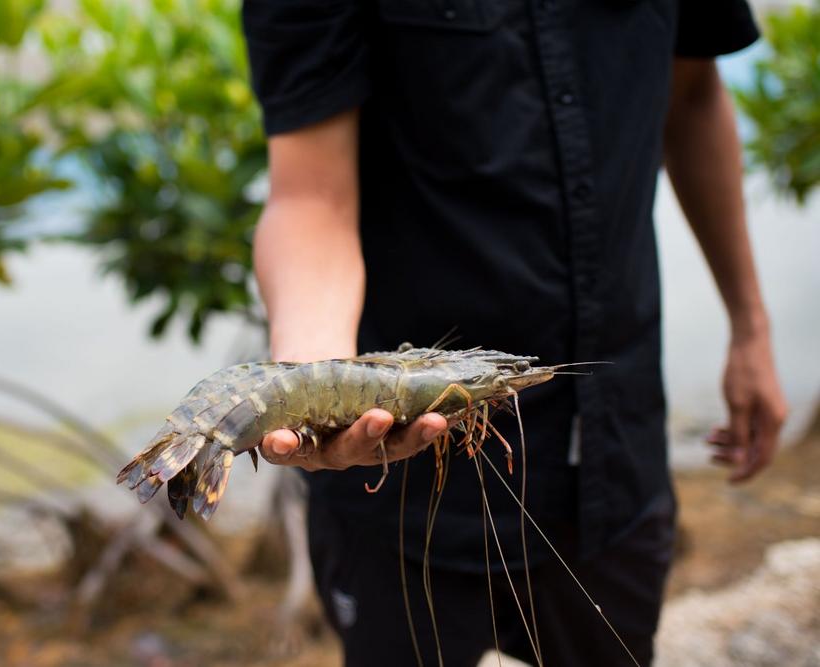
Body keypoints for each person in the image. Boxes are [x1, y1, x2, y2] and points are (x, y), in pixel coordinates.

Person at [243, 1, 787, 665]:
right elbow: (309, 194)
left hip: (616, 454)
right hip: (392, 496)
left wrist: (750, 327)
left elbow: (694, 91)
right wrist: (308, 372)